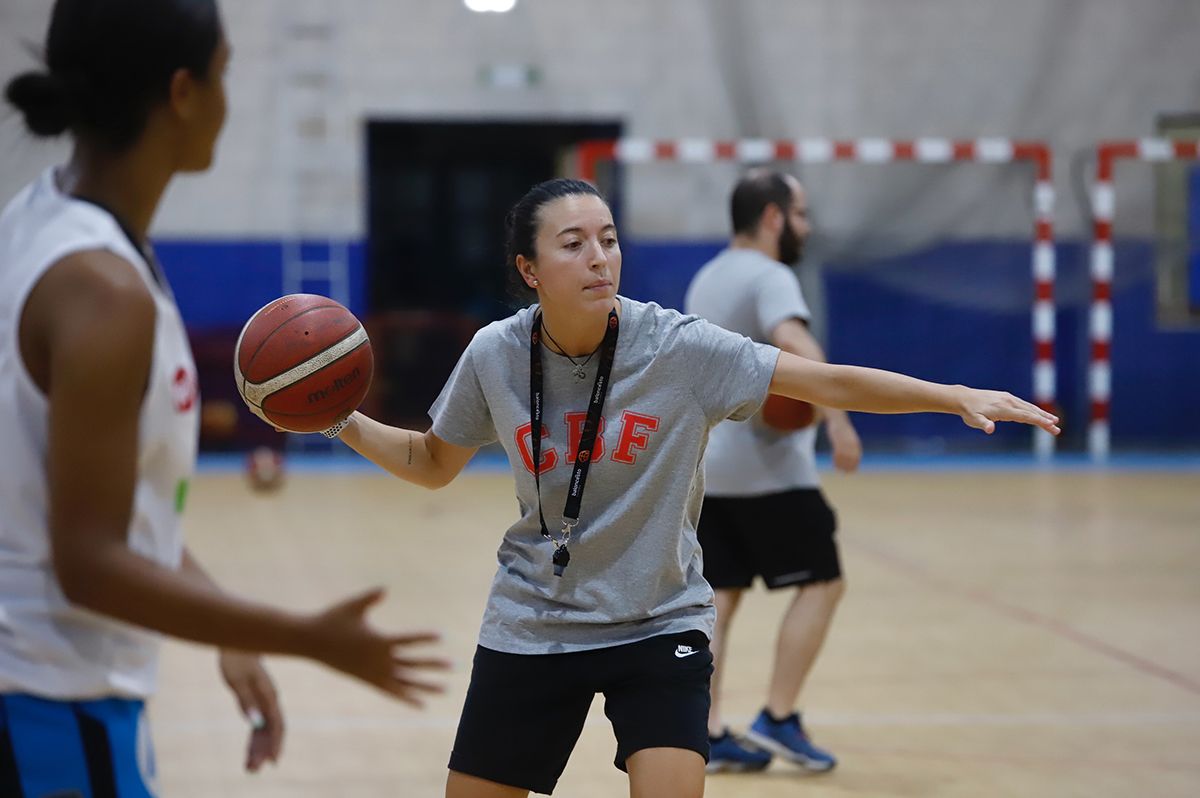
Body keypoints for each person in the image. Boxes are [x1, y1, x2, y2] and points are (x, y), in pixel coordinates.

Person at [315, 177, 1059, 798]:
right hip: (534, 620)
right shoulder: (495, 355)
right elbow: (430, 461)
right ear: (530, 270)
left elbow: (824, 378)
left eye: (607, 238)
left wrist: (954, 393)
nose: (599, 257)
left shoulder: (678, 348)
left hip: (658, 622)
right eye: (573, 245)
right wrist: (338, 420)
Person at [0, 2, 446, 795]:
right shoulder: (103, 291)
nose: (228, 100)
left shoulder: (43, 223)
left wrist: (221, 624)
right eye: (224, 74)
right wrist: (304, 636)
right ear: (182, 94)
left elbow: (102, 502)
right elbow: (89, 565)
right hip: (47, 698)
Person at [684, 169, 857, 773]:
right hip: (770, 472)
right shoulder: (772, 275)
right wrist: (838, 418)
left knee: (719, 599)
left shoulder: (707, 278)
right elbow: (797, 347)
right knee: (824, 581)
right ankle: (779, 718)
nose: (807, 226)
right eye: (802, 213)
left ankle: (703, 734)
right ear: (774, 218)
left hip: (710, 466)